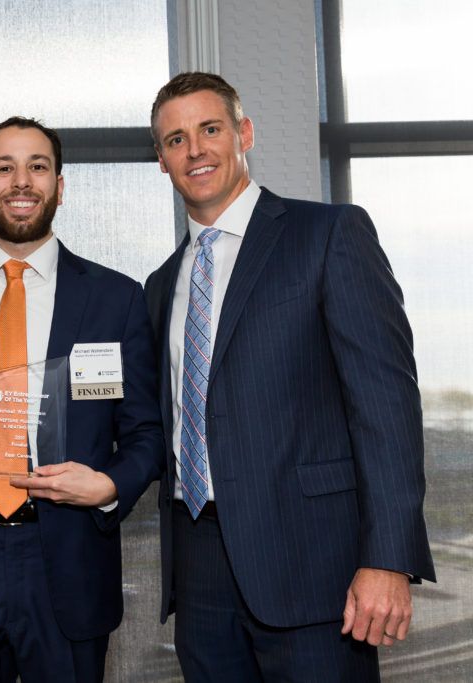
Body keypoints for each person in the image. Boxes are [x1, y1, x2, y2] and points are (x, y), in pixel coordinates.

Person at [143, 72, 436, 681]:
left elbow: (385, 407)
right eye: (175, 139)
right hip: (199, 572)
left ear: (244, 133)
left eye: (210, 129)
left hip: (315, 567)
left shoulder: (328, 235)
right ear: (162, 160)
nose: (194, 150)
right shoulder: (161, 284)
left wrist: (388, 559)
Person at [0, 116, 165, 682]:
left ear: (60, 186)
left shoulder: (116, 299)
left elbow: (147, 433)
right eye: (4, 168)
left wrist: (110, 486)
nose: (21, 181)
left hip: (69, 554)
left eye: (38, 167)